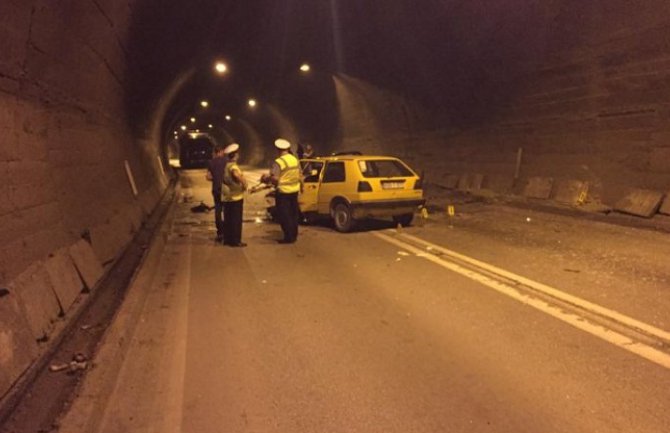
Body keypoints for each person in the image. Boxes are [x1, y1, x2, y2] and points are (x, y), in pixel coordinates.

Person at [263, 138, 302, 244]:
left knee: (285, 215)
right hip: (294, 191)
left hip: (283, 192)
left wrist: (268, 178)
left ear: (278, 149)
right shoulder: (295, 159)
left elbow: (275, 179)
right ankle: (294, 235)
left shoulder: (279, 162)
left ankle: (288, 237)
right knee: (294, 214)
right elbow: (300, 174)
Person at [221, 143, 248, 247]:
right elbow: (236, 174)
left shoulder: (225, 165)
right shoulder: (233, 166)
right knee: (236, 220)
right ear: (235, 155)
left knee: (228, 219)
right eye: (237, 154)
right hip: (236, 196)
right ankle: (236, 241)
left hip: (227, 196)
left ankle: (227, 239)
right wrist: (244, 183)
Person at [206, 144, 227, 242]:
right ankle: (228, 230)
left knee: (218, 210)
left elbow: (208, 177)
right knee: (227, 210)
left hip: (216, 189)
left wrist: (215, 179)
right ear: (221, 152)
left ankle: (220, 232)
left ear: (215, 152)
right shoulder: (226, 161)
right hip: (226, 189)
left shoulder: (211, 162)